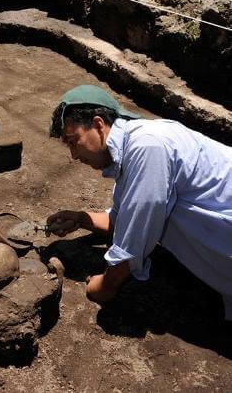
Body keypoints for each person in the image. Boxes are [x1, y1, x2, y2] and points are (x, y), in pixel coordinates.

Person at [47, 84, 232, 320]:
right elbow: (125, 219)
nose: (73, 155)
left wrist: (105, 285)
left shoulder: (146, 147)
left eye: (74, 142)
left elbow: (136, 233)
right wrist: (83, 219)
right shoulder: (132, 148)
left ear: (98, 124)